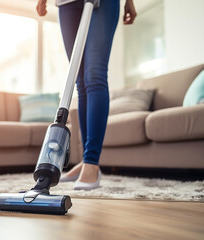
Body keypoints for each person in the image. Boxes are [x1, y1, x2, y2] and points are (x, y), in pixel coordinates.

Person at [36, 0, 136, 190]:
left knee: (94, 75)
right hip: (67, 2)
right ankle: (85, 160)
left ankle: (92, 162)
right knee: (80, 81)